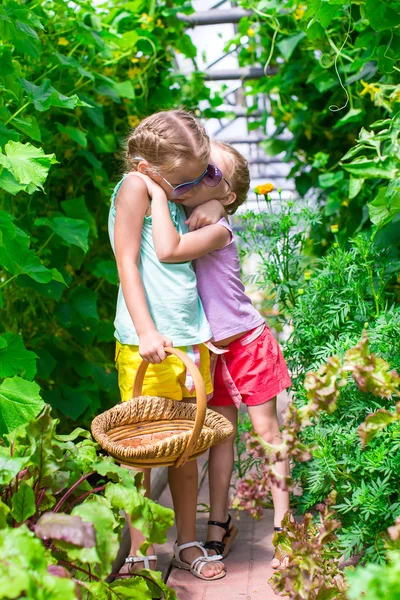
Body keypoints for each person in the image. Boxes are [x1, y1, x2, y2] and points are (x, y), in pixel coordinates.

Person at [140, 140, 292, 570]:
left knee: (267, 432)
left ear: (227, 195)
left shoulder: (219, 227)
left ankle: (284, 523)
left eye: (211, 174)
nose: (199, 176)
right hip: (212, 348)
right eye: (198, 169)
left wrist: (218, 212)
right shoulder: (184, 215)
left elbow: (173, 249)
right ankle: (218, 523)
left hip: (246, 341)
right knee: (219, 439)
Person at [108, 110, 228, 581]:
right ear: (148, 168)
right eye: (183, 179)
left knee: (186, 446)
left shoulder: (172, 189)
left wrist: (217, 202)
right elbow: (127, 262)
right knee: (144, 448)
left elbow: (222, 187)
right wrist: (145, 330)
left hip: (190, 338)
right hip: (151, 344)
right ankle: (139, 546)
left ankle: (186, 540)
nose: (190, 185)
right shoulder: (137, 189)